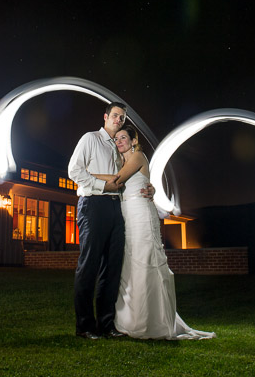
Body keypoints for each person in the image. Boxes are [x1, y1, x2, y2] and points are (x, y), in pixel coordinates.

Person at [95, 125, 216, 340]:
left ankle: (150, 321)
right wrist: (152, 188)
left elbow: (117, 180)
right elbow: (132, 182)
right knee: (129, 266)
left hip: (140, 215)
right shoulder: (120, 162)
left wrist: (85, 175)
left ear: (134, 141)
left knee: (145, 261)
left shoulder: (138, 156)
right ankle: (128, 319)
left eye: (124, 138)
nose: (119, 141)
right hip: (126, 217)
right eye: (116, 139)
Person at [67, 102, 129, 339]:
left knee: (111, 269)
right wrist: (102, 185)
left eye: (122, 118)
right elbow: (74, 170)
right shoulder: (90, 139)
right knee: (89, 266)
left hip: (116, 208)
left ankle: (106, 325)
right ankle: (84, 326)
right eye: (115, 115)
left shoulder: (118, 148)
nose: (118, 120)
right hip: (93, 205)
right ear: (105, 116)